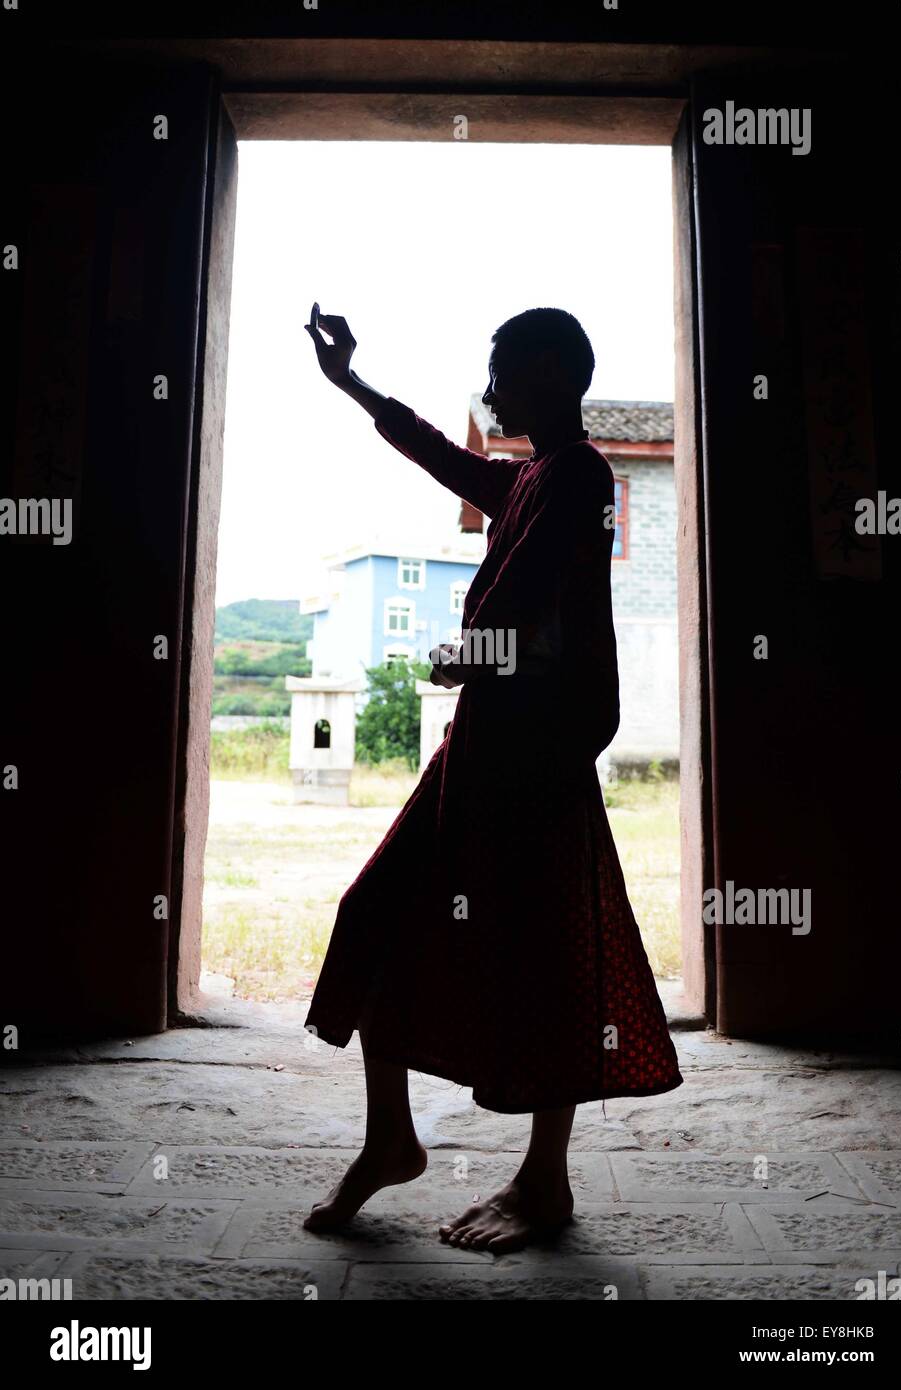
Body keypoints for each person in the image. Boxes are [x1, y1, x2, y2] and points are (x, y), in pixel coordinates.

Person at [301, 302, 683, 1254]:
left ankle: (542, 1183)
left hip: (538, 754)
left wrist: (469, 654)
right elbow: (437, 453)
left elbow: (532, 596)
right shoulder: (526, 479)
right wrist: (350, 382)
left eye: (505, 367)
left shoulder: (582, 475)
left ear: (554, 371)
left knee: (545, 952)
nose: (493, 387)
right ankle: (391, 1138)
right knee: (378, 912)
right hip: (485, 747)